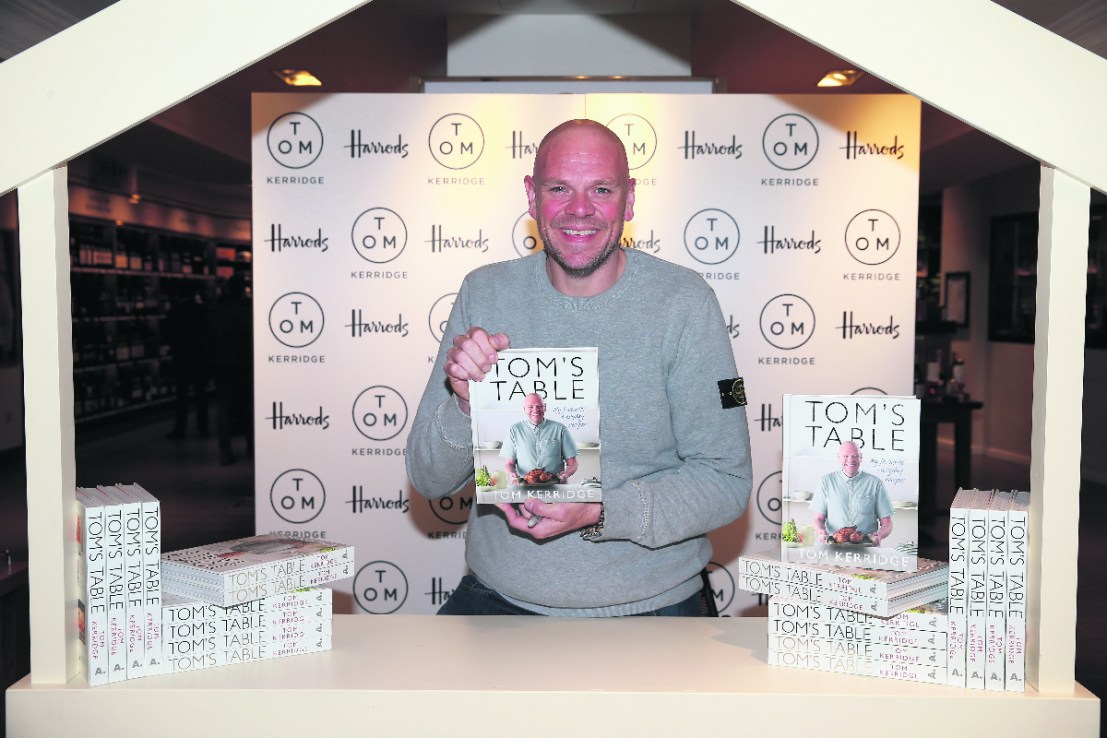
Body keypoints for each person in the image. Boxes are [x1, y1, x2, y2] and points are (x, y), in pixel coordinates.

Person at [405, 119, 753, 617]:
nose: (580, 210)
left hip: (653, 607)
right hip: (496, 598)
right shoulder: (485, 292)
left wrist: (600, 510)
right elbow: (429, 478)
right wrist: (464, 404)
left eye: (602, 189)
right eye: (559, 188)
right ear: (532, 196)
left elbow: (727, 481)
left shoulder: (686, 303)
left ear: (628, 200)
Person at [811, 441, 894, 545]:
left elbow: (887, 523)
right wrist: (820, 530)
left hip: (867, 548)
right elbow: (818, 518)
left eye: (855, 456)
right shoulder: (826, 481)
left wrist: (879, 535)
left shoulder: (875, 483)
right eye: (845, 456)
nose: (850, 460)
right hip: (834, 547)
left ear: (861, 457)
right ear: (838, 457)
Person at [208, 274, 253, 465]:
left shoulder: (216, 311)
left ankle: (225, 450)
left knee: (223, 408)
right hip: (243, 364)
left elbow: (209, 338)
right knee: (247, 407)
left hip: (221, 364)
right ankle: (251, 446)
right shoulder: (247, 312)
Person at [164, 286, 210, 440]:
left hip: (181, 358)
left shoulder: (173, 312)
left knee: (182, 397)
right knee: (201, 395)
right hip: (199, 358)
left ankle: (180, 429)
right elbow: (207, 333)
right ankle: (203, 427)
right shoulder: (201, 310)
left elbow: (168, 336)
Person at [502, 393, 579, 484]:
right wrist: (512, 473)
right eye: (530, 406)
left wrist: (566, 473)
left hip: (555, 486)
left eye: (539, 406)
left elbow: (573, 463)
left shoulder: (560, 429)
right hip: (524, 486)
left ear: (545, 407)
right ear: (524, 408)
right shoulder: (514, 430)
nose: (535, 410)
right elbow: (509, 464)